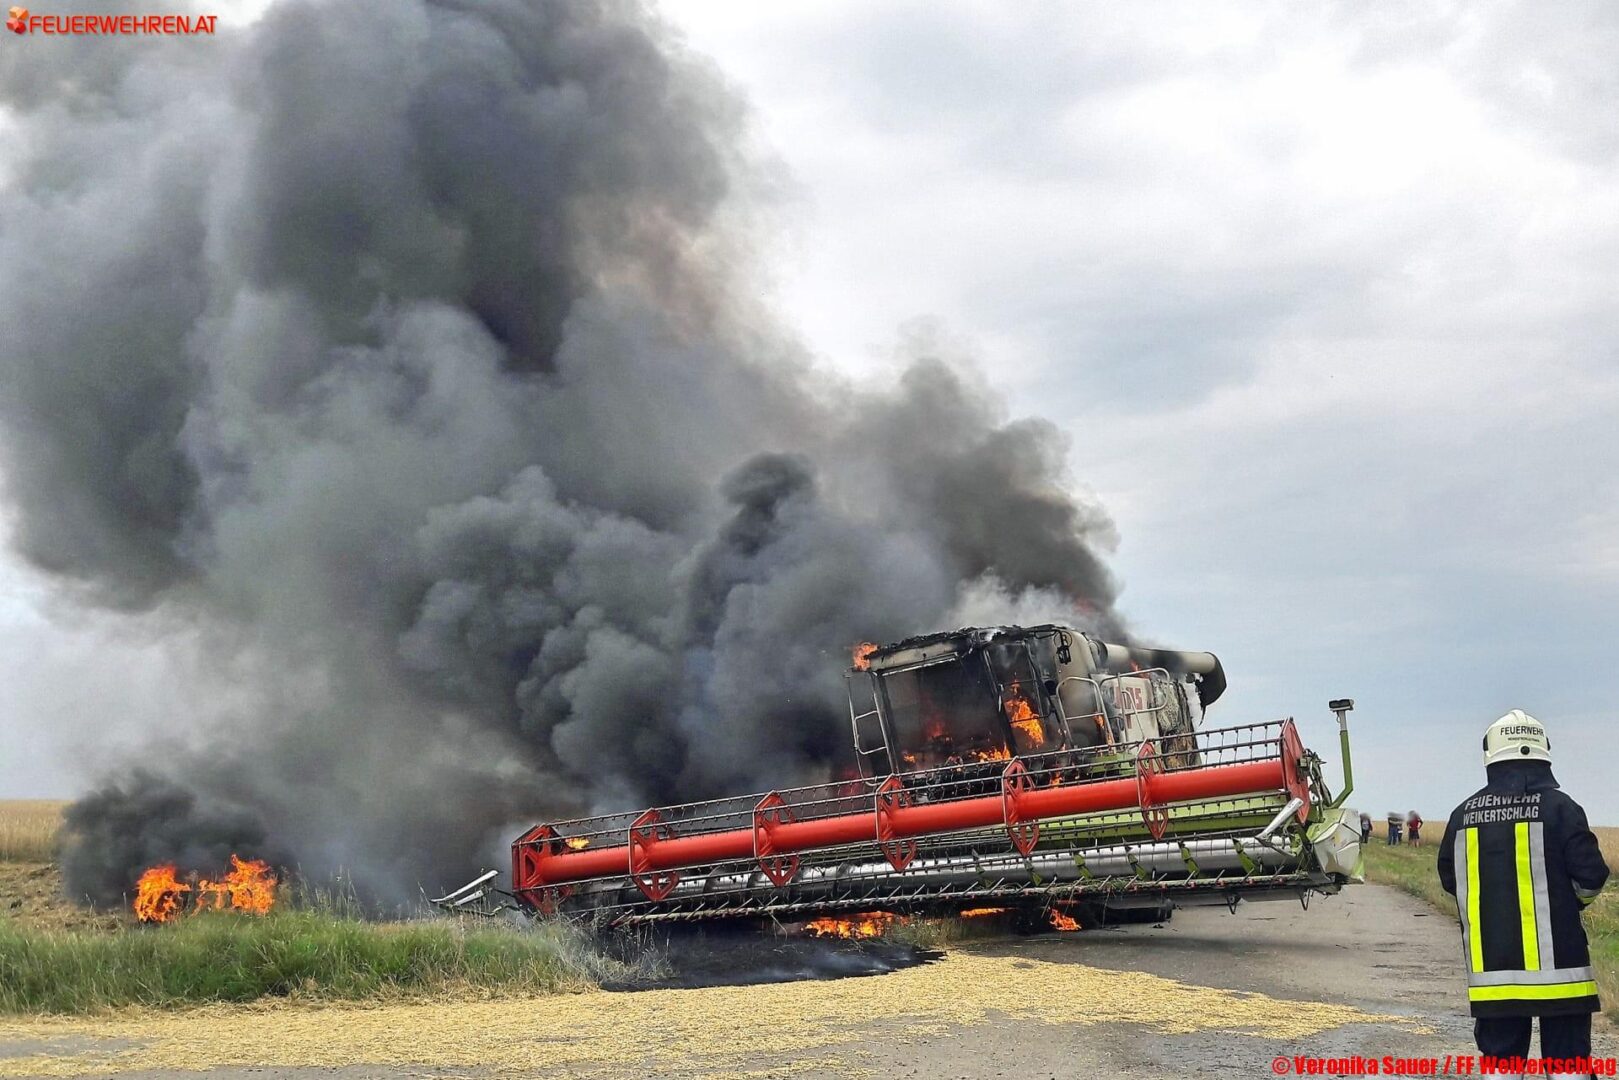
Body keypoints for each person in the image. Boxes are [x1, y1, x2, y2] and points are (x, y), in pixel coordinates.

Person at [1437, 710, 1609, 1072]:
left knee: (1501, 1065)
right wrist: (1567, 904)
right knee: (1569, 1067)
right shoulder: (1563, 809)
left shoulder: (1461, 815)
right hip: (1563, 977)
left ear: (1490, 754)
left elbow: (1450, 879)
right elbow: (1592, 876)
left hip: (1494, 978)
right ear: (1544, 750)